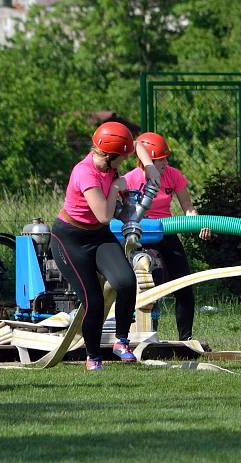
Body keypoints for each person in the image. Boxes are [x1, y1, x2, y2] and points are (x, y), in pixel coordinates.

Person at [50, 121, 161, 371]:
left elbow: (137, 145)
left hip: (97, 236)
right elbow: (103, 214)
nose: (124, 162)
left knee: (126, 282)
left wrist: (151, 168)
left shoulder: (110, 155)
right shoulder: (85, 173)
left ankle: (121, 341)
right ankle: (93, 357)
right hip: (70, 239)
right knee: (94, 301)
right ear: (109, 156)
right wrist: (116, 188)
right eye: (121, 160)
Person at [123, 132, 211, 341]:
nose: (166, 162)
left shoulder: (173, 175)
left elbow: (188, 208)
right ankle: (147, 336)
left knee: (184, 285)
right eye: (162, 158)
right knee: (154, 278)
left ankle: (186, 340)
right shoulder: (130, 179)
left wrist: (200, 224)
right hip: (142, 235)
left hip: (166, 231)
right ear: (149, 160)